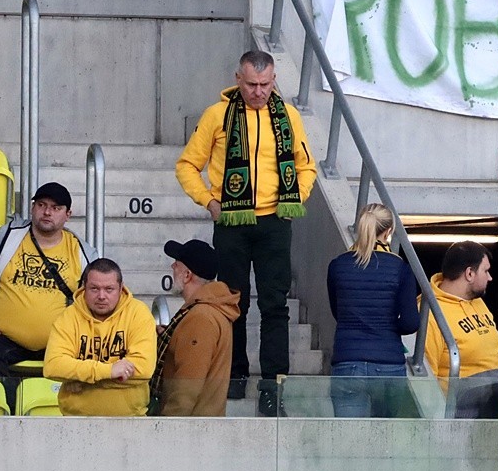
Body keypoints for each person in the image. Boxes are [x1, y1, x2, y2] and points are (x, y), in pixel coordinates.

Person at [176, 51, 316, 415]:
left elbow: (306, 167)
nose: (258, 92)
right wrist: (209, 202)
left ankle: (274, 386)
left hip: (274, 221)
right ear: (238, 78)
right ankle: (234, 375)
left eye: (265, 84)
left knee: (275, 305)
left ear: (274, 80)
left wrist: (294, 199)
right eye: (252, 84)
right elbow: (187, 165)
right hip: (231, 221)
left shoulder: (288, 115)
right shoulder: (217, 115)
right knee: (231, 303)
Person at [0, 182, 96, 391]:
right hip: (2, 339)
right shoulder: (7, 237)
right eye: (41, 205)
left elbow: (100, 296)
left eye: (56, 208)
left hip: (60, 341)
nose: (47, 212)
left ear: (68, 215)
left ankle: (58, 406)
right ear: (32, 208)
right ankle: (6, 405)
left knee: (89, 351)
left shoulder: (82, 252)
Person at [325, 203, 418, 417]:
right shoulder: (400, 268)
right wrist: (387, 326)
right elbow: (411, 322)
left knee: (349, 435)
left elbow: (338, 313)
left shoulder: (338, 265)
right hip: (388, 362)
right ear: (389, 231)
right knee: (383, 435)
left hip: (348, 360)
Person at [44, 257, 158, 415]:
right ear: (84, 288)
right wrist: (109, 371)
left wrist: (82, 378)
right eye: (94, 289)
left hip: (130, 419)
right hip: (75, 420)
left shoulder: (138, 314)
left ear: (121, 288)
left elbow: (143, 369)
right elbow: (53, 366)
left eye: (109, 289)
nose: (101, 296)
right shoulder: (69, 316)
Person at [150, 238, 239, 417]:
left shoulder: (200, 318)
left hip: (190, 426)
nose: (172, 267)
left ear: (187, 275)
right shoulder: (210, 309)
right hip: (203, 422)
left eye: (177, 264)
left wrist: (167, 425)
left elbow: (187, 389)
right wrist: (173, 336)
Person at [422, 240, 498, 383]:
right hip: (462, 397)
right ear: (470, 273)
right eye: (486, 271)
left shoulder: (477, 301)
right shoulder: (429, 315)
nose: (490, 278)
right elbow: (425, 381)